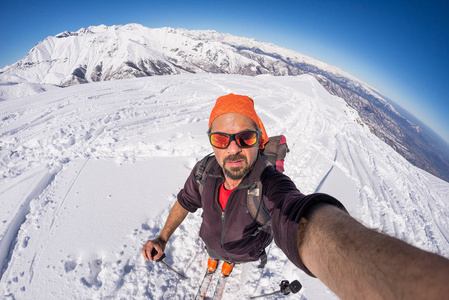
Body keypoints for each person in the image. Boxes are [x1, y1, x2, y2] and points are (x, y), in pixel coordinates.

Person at [142, 94, 449, 299]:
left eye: (245, 138)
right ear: (212, 142)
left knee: (228, 260)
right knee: (215, 252)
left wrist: (389, 279)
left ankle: (225, 265)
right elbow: (185, 201)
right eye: (221, 139)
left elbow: (299, 218)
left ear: (259, 141)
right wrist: (162, 238)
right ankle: (217, 261)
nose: (233, 149)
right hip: (212, 242)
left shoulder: (268, 183)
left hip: (246, 252)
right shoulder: (203, 171)